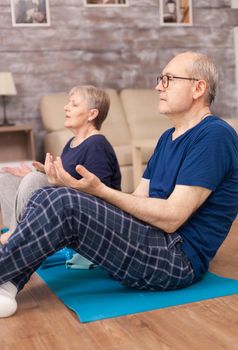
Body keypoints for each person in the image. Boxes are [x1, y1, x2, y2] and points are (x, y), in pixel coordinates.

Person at [0, 51, 238, 318]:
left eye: (169, 79)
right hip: (150, 240)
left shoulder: (215, 136)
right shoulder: (167, 137)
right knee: (49, 195)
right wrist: (83, 191)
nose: (158, 86)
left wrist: (98, 191)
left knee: (62, 202)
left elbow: (173, 217)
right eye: (161, 79)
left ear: (198, 87)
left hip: (175, 260)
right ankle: (6, 286)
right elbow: (138, 199)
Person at [0, 85, 121, 244]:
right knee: (6, 179)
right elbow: (66, 178)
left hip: (92, 218)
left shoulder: (97, 145)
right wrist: (44, 172)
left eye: (74, 104)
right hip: (66, 201)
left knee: (34, 179)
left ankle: (17, 238)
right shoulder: (72, 142)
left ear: (92, 114)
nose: (66, 108)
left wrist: (38, 178)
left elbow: (99, 195)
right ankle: (14, 232)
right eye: (68, 103)